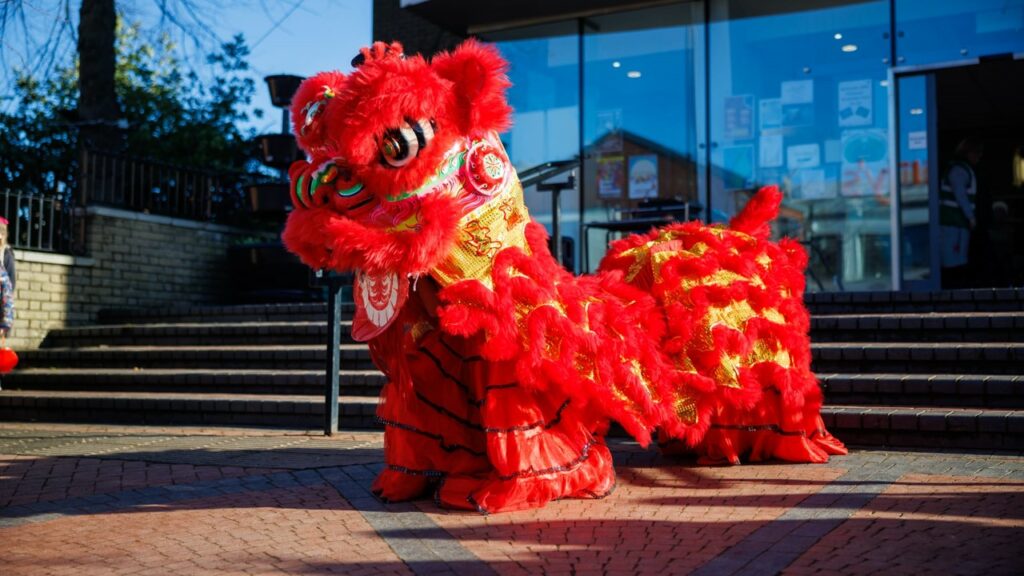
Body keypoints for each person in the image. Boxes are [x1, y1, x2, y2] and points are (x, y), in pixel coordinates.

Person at [940, 137, 982, 288]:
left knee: (957, 260)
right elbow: (960, 194)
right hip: (952, 223)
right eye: (976, 153)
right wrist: (970, 217)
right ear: (968, 153)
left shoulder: (961, 169)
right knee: (953, 261)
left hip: (957, 223)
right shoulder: (959, 170)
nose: (978, 157)